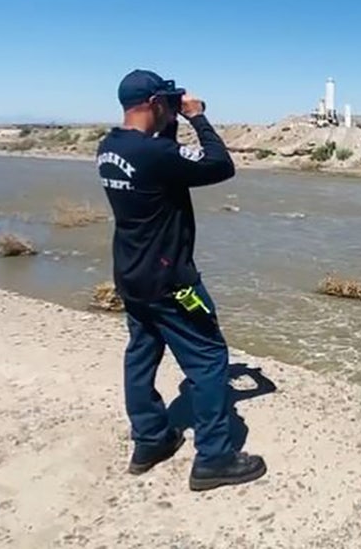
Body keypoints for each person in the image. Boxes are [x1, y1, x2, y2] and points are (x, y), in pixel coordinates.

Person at [96, 69, 266, 491]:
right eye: (167, 103)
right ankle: (215, 458)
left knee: (141, 356)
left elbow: (162, 158)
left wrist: (169, 119)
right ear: (155, 104)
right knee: (209, 360)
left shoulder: (109, 148)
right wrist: (196, 117)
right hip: (173, 282)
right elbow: (220, 165)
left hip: (132, 276)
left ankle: (150, 441)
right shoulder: (155, 156)